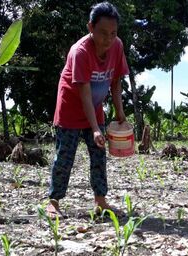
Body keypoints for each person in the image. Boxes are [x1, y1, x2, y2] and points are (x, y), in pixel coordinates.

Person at [46, 1, 129, 218]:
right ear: (90, 28)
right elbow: (83, 92)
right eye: (103, 33)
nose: (108, 39)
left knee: (99, 155)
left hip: (95, 107)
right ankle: (53, 202)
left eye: (113, 33)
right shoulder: (80, 52)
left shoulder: (117, 46)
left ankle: (100, 201)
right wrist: (94, 129)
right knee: (65, 156)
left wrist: (119, 113)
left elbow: (116, 82)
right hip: (71, 108)